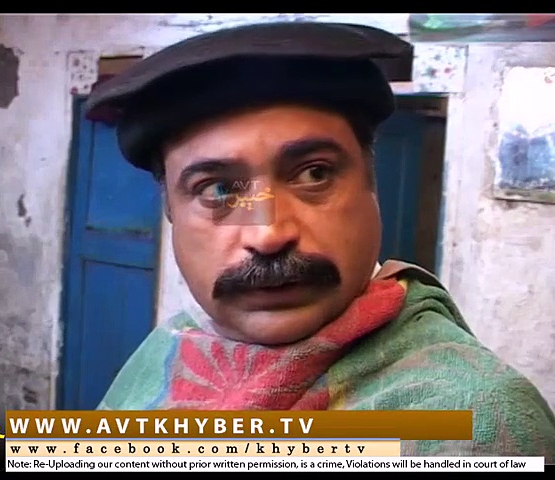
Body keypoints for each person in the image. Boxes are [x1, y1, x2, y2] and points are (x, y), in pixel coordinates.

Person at [84, 22, 555, 460]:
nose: (268, 235)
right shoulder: (169, 347)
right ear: (171, 213)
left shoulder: (476, 423)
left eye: (314, 174)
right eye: (219, 189)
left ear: (372, 186)